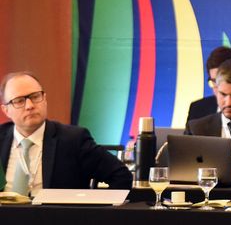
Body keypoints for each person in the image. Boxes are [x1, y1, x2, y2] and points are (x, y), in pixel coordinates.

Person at [0, 71, 132, 196]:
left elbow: (121, 175)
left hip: (57, 219)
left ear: (44, 99)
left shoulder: (74, 140)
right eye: (19, 101)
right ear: (6, 110)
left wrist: (96, 212)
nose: (29, 106)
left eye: (35, 97)